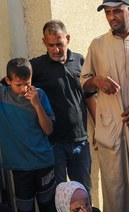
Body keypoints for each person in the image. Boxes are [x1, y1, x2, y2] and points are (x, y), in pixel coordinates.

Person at [80, 0, 129, 211]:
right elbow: (84, 82)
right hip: (111, 129)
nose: (112, 16)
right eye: (107, 12)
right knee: (115, 190)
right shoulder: (97, 45)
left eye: (117, 11)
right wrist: (97, 80)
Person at [30, 20, 95, 197]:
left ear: (67, 39)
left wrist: (99, 130)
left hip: (81, 143)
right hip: (54, 144)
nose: (55, 49)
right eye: (50, 45)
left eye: (59, 44)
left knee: (83, 193)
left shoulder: (80, 61)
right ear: (44, 42)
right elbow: (12, 81)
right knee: (59, 195)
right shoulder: (36, 67)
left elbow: (89, 97)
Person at [0, 58, 56, 211]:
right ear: (8, 81)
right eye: (19, 84)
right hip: (20, 167)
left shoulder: (39, 95)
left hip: (44, 163)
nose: (24, 88)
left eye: (28, 83)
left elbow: (49, 130)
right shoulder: (3, 96)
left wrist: (37, 105)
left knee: (48, 206)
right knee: (24, 208)